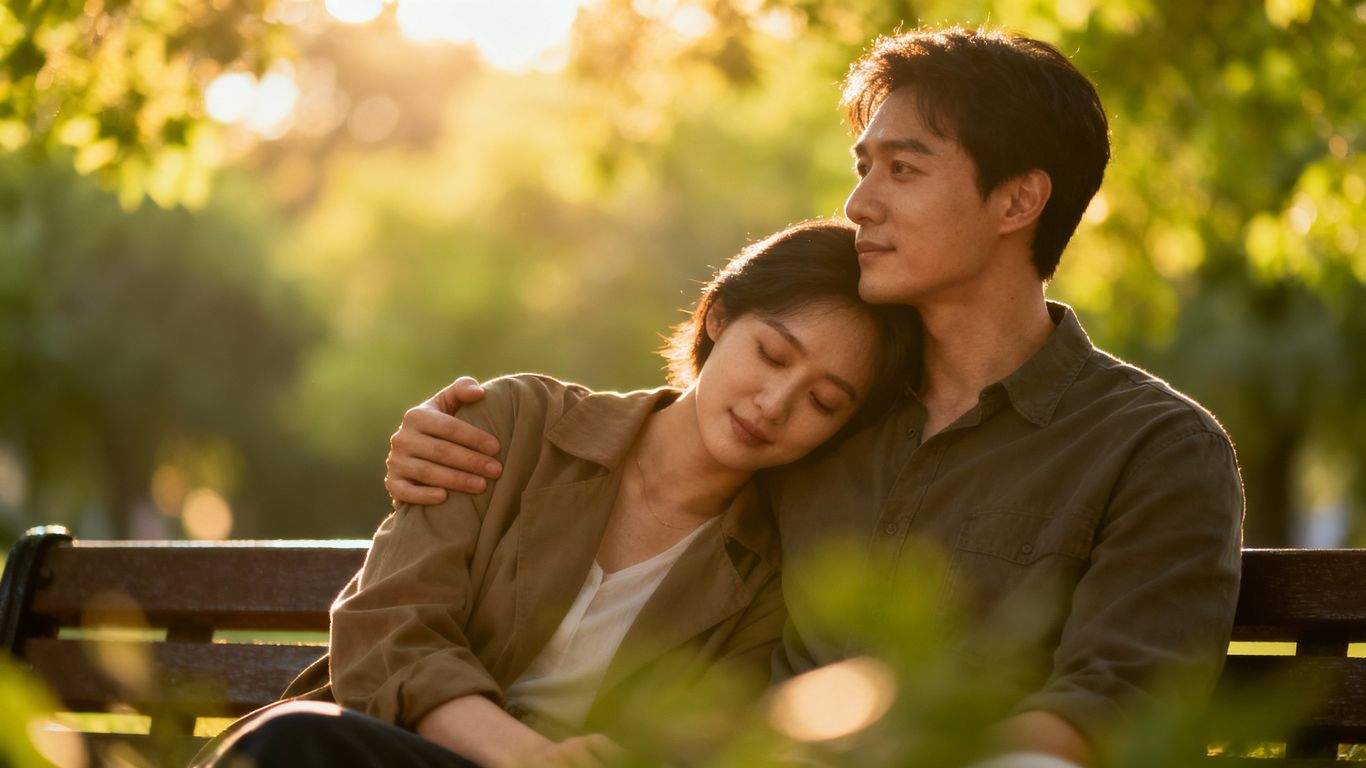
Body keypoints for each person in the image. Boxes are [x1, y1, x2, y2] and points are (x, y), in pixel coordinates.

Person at [383, 26, 1245, 768]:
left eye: (903, 170)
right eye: (863, 167)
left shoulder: (1155, 450)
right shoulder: (826, 419)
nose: (858, 204)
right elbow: (671, 443)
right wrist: (453, 432)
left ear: (1017, 200)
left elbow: (1118, 703)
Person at [196, 220, 922, 768]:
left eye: (824, 402)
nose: (773, 404)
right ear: (720, 317)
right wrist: (526, 758)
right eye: (772, 354)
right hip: (392, 753)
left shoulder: (773, 568)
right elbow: (389, 623)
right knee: (293, 746)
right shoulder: (514, 423)